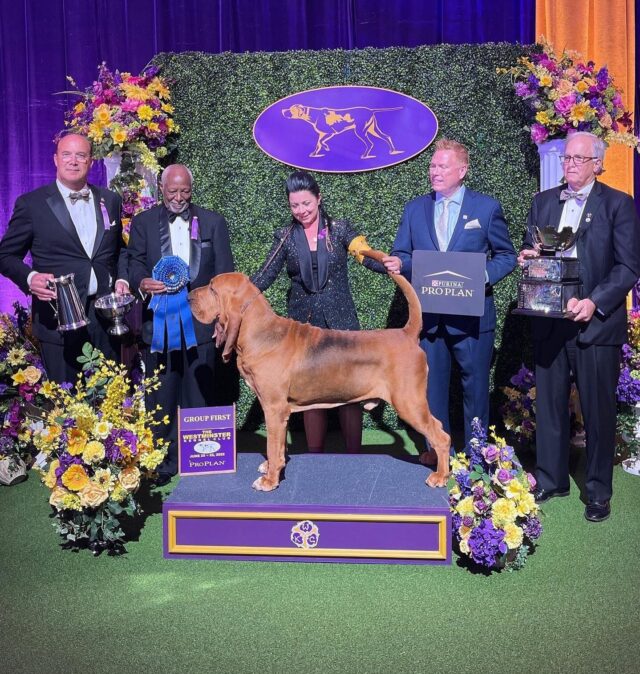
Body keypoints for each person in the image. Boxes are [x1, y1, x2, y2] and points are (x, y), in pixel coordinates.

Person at [518, 131, 640, 522]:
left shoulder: (618, 205)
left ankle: (598, 492)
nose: (569, 164)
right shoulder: (542, 203)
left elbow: (628, 267)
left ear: (597, 165)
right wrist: (529, 258)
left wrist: (595, 302)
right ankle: (552, 479)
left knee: (598, 411)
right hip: (551, 322)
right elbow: (535, 252)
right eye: (566, 158)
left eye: (577, 159)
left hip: (595, 324)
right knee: (550, 407)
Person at [383, 139, 516, 454]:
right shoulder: (415, 209)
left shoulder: (486, 208)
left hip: (472, 318)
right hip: (430, 318)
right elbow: (402, 252)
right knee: (433, 389)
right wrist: (399, 262)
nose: (435, 171)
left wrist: (481, 276)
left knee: (475, 389)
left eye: (442, 166)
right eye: (432, 165)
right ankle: (438, 451)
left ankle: (476, 453)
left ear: (462, 170)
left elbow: (506, 256)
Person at [252, 170, 385, 454]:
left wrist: (387, 264)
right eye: (295, 205)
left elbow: (364, 253)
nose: (301, 211)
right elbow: (264, 275)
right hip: (304, 329)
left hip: (342, 326)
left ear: (319, 198)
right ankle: (314, 458)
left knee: (351, 393)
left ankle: (354, 456)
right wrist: (237, 292)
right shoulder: (285, 236)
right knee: (311, 395)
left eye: (307, 204)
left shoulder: (339, 229)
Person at [126, 164, 234, 485]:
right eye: (172, 191)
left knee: (198, 393)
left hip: (201, 326)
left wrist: (223, 320)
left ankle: (199, 459)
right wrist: (141, 282)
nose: (178, 197)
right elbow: (131, 262)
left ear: (192, 188)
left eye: (184, 191)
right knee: (160, 394)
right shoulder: (144, 223)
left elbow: (225, 276)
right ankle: (160, 463)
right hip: (158, 325)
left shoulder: (213, 222)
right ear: (161, 189)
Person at [0, 132, 127, 384]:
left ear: (91, 162)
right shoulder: (32, 204)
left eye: (81, 155)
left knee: (110, 403)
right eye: (67, 155)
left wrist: (123, 278)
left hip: (104, 319)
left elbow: (119, 251)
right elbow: (5, 255)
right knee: (67, 409)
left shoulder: (110, 200)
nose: (73, 161)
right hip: (58, 318)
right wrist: (30, 277)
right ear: (56, 160)